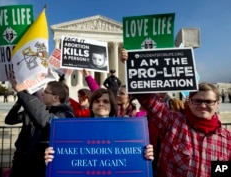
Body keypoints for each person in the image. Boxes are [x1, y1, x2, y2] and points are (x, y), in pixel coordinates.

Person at [121, 49, 231, 177]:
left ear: (217, 103)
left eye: (208, 101)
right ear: (189, 102)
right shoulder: (172, 122)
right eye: (197, 101)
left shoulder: (227, 139)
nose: (202, 105)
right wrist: (132, 63)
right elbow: (148, 98)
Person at [44, 88, 154, 164]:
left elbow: (132, 159)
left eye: (106, 101)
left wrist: (145, 154)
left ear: (112, 106)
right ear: (91, 106)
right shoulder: (77, 130)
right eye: (97, 101)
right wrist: (54, 157)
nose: (101, 104)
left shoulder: (126, 129)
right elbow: (69, 157)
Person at [6, 74, 75, 177]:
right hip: (23, 160)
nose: (42, 94)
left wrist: (22, 93)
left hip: (41, 164)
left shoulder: (66, 113)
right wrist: (21, 100)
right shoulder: (41, 109)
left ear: (55, 97)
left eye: (46, 92)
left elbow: (46, 121)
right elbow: (10, 119)